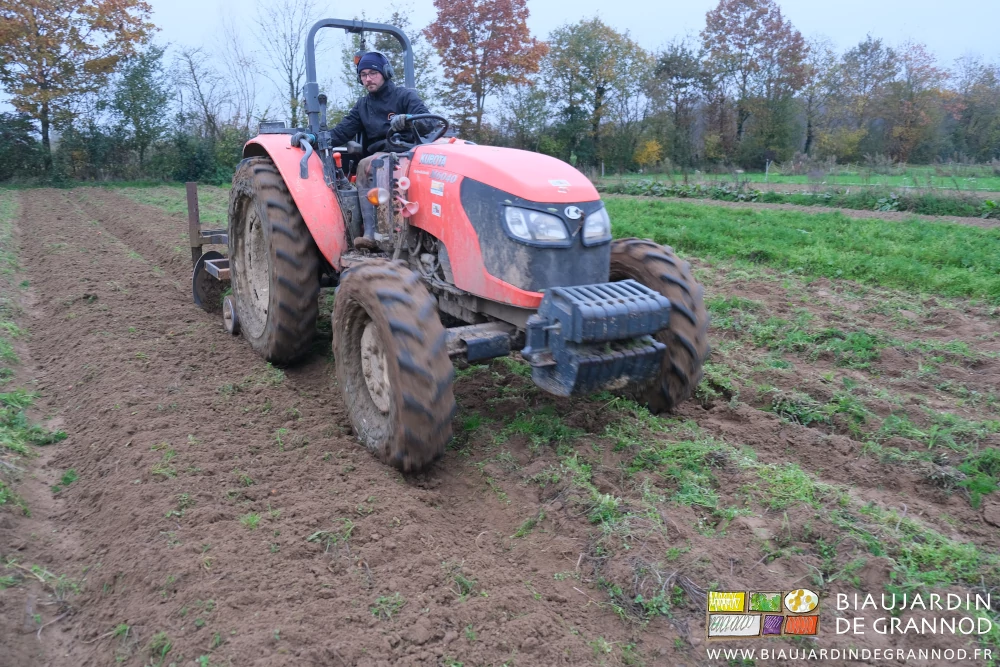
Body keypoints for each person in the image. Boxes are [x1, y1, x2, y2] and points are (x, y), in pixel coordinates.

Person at [328, 51, 431, 249]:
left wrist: (409, 120)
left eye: (373, 73)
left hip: (409, 151)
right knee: (367, 164)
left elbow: (428, 122)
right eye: (363, 75)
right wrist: (315, 138)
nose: (368, 79)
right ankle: (371, 233)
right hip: (381, 156)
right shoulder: (363, 106)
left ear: (385, 73)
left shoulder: (405, 96)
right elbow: (341, 132)